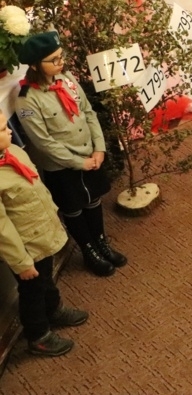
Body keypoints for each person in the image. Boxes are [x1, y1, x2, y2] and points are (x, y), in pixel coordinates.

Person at [14, 32, 127, 277]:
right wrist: (79, 162)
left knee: (93, 199)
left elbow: (88, 112)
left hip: (89, 154)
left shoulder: (67, 78)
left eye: (61, 56)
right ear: (35, 65)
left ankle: (101, 242)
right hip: (62, 166)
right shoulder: (26, 100)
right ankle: (88, 250)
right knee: (73, 207)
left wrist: (99, 148)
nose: (61, 62)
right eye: (53, 60)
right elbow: (43, 142)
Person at [0, 110, 90, 357]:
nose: (10, 131)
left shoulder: (13, 152)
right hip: (25, 247)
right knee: (32, 289)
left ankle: (53, 309)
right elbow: (2, 230)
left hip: (42, 232)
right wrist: (21, 262)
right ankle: (38, 335)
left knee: (45, 277)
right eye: (3, 130)